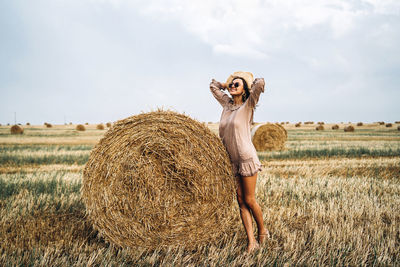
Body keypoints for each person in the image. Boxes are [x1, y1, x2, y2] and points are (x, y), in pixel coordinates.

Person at [209, 71, 269, 253]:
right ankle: (251, 241)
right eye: (232, 84)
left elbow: (260, 84)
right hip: (231, 161)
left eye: (237, 85)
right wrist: (225, 85)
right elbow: (212, 87)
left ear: (244, 90)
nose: (233, 86)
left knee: (250, 200)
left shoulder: (248, 105)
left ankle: (263, 231)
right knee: (241, 201)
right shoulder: (227, 105)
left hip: (246, 158)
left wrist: (248, 83)